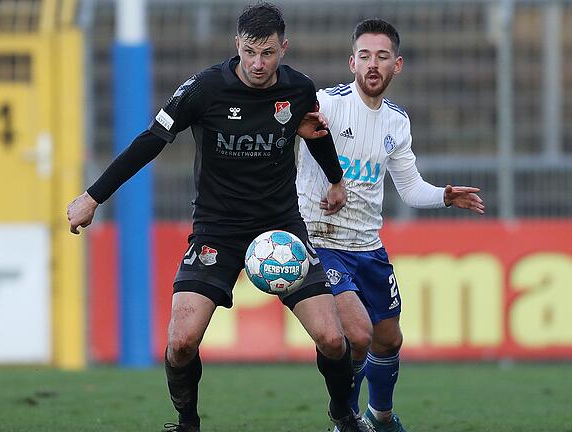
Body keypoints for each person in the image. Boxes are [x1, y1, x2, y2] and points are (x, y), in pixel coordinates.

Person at [67, 3, 373, 432]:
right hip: (217, 230)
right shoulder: (203, 89)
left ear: (283, 48)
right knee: (181, 341)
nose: (258, 63)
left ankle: (343, 414)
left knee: (332, 338)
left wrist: (336, 181)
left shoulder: (300, 89)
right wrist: (93, 196)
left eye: (268, 53)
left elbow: (316, 133)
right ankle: (187, 423)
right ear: (237, 46)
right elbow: (150, 141)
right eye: (250, 52)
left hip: (281, 228)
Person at [296, 18, 485, 432]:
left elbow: (411, 187)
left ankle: (379, 416)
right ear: (352, 62)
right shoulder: (326, 104)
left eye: (382, 57)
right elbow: (286, 132)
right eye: (364, 56)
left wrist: (445, 196)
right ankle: (344, 418)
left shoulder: (396, 121)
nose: (373, 65)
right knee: (358, 336)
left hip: (368, 247)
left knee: (389, 340)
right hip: (322, 240)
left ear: (396, 65)